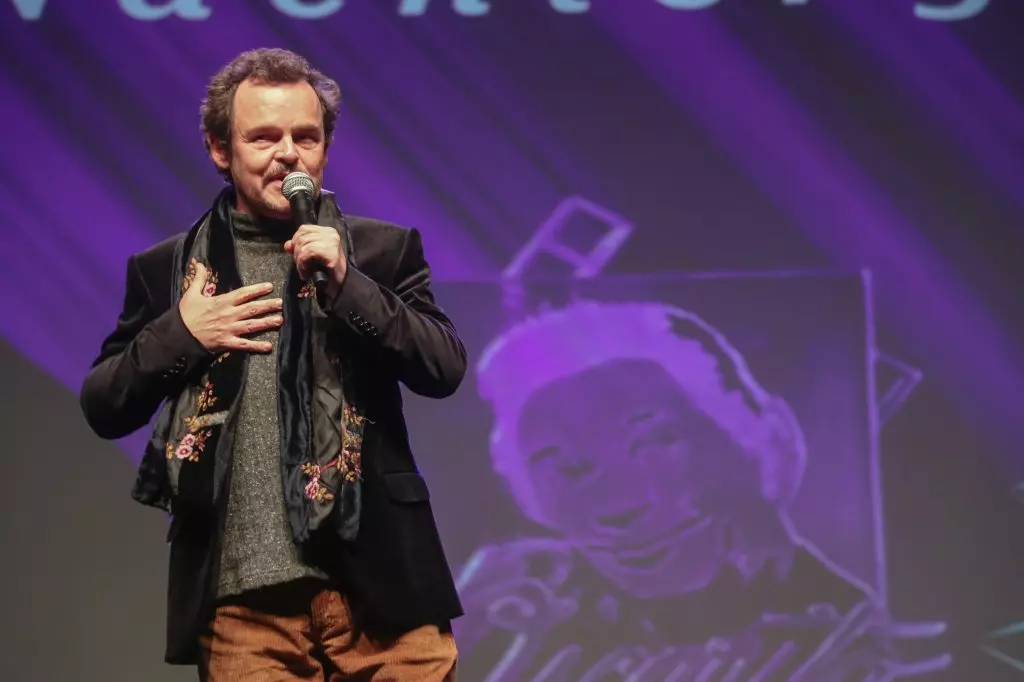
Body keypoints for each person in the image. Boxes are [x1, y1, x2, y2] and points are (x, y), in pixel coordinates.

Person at [79, 47, 465, 681]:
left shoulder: (379, 251)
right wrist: (185, 331)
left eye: (305, 137)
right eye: (264, 137)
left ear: (325, 147)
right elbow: (104, 403)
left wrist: (350, 284)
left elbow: (443, 367)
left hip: (385, 592)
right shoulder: (169, 270)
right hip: (244, 605)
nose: (288, 154)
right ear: (219, 148)